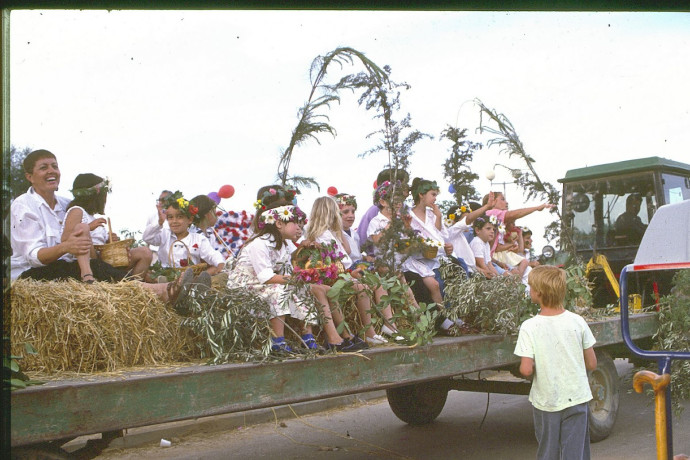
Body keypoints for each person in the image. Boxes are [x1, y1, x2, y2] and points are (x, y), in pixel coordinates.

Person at [10, 150, 183, 302]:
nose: (51, 171)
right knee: (93, 267)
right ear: (29, 177)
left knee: (100, 264)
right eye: (43, 167)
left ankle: (153, 290)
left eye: (54, 166)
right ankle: (158, 292)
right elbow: (34, 257)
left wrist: (106, 239)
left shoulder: (66, 204)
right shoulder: (23, 205)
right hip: (32, 274)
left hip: (66, 266)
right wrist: (67, 247)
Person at [227, 193, 365, 353]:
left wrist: (306, 249)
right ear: (279, 223)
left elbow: (297, 257)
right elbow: (266, 277)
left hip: (268, 282)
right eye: (295, 223)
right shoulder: (260, 244)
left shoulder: (285, 243)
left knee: (306, 289)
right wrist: (295, 279)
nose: (300, 228)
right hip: (248, 285)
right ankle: (277, 341)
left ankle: (308, 337)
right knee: (279, 292)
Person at [514, 265, 597, 460]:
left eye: (531, 287)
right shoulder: (578, 321)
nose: (529, 290)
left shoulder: (529, 327)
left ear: (539, 293)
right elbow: (592, 364)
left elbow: (526, 369)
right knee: (575, 454)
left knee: (548, 452)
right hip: (577, 396)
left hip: (547, 400)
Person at [305, 196, 388, 345]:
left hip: (343, 271)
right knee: (362, 288)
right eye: (336, 213)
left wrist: (338, 232)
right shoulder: (318, 235)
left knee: (371, 283)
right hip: (331, 275)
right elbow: (333, 260)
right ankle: (368, 332)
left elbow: (347, 252)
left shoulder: (331, 233)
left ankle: (375, 330)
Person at [61, 173, 154, 283]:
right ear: (95, 196)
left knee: (145, 253)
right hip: (85, 263)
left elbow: (99, 244)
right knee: (82, 228)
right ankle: (92, 276)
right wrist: (89, 228)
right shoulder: (77, 211)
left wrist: (110, 242)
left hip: (100, 260)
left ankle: (133, 286)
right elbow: (65, 239)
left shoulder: (93, 217)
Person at [143, 191, 225, 275]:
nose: (174, 221)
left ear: (190, 220)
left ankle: (194, 281)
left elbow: (211, 254)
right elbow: (147, 238)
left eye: (180, 217)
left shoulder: (198, 239)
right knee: (149, 276)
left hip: (189, 277)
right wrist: (159, 222)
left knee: (211, 269)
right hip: (164, 275)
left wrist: (219, 263)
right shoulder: (164, 234)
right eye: (170, 217)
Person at [356, 168, 410, 253]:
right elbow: (362, 238)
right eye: (404, 184)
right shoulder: (375, 210)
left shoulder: (406, 208)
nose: (408, 188)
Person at [469, 215, 505, 279]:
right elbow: (482, 265)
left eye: (493, 229)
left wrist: (499, 277)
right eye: (488, 228)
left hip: (482, 271)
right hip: (474, 273)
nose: (492, 231)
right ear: (477, 230)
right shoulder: (477, 241)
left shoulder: (486, 244)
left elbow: (489, 264)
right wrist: (494, 277)